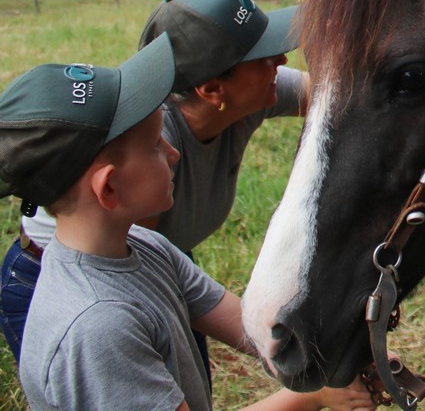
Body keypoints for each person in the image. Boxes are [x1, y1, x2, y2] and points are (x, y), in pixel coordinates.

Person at [0, 36, 371, 410]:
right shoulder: (98, 327)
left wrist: (338, 355)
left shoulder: (145, 247)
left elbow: (249, 328)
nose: (173, 152)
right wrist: (314, 395)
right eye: (154, 146)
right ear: (109, 187)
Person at [2, 0, 306, 367]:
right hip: (72, 275)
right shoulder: (148, 158)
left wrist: (306, 358)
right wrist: (309, 387)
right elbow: (133, 267)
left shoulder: (253, 91)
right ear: (213, 89)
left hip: (153, 256)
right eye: (261, 55)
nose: (281, 59)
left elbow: (342, 95)